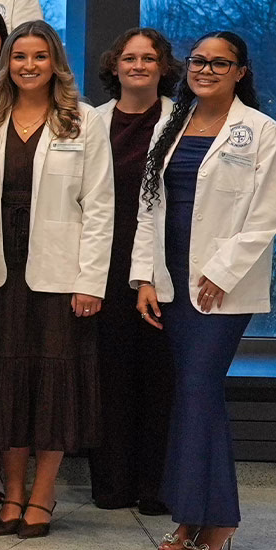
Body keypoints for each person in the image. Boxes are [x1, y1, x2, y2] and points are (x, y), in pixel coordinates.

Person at [134, 31, 276, 550]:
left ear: (241, 72)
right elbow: (148, 208)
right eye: (199, 61)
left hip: (221, 286)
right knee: (192, 393)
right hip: (172, 279)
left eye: (220, 64)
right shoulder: (170, 125)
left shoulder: (260, 130)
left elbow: (267, 217)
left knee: (199, 389)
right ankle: (192, 514)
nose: (206, 70)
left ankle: (217, 519)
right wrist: (145, 278)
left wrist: (221, 271)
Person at [0, 21, 114, 538]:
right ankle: (12, 494)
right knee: (8, 382)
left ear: (55, 62)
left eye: (39, 57)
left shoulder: (83, 121)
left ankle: (43, 493)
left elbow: (100, 207)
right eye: (18, 57)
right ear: (6, 64)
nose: (28, 66)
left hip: (60, 271)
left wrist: (91, 282)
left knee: (54, 383)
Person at [88, 28, 179, 514]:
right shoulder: (92, 121)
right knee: (109, 374)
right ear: (115, 65)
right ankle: (111, 484)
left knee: (156, 375)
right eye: (129, 57)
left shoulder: (181, 122)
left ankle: (155, 485)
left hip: (159, 261)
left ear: (164, 67)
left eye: (149, 58)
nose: (138, 65)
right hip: (101, 259)